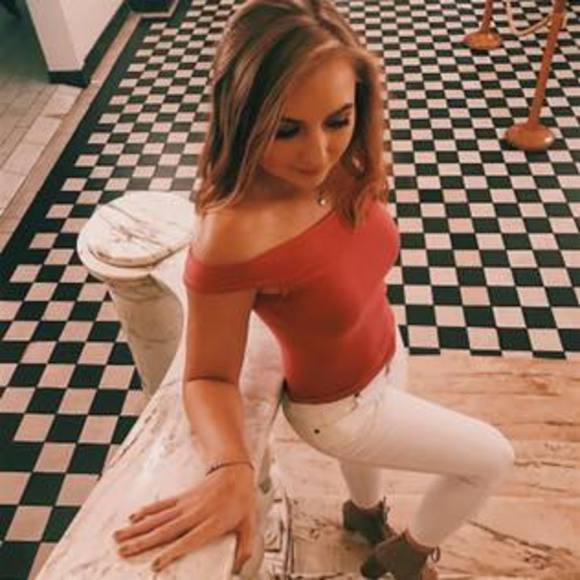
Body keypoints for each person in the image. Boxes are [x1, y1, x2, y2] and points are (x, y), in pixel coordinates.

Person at [112, 0, 515, 577]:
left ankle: (364, 516)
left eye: (337, 120)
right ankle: (405, 558)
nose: (318, 153)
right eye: (286, 130)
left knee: (370, 481)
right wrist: (231, 467)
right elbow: (207, 376)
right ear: (242, 118)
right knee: (491, 457)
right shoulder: (235, 231)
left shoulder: (347, 163)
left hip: (387, 353)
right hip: (341, 409)